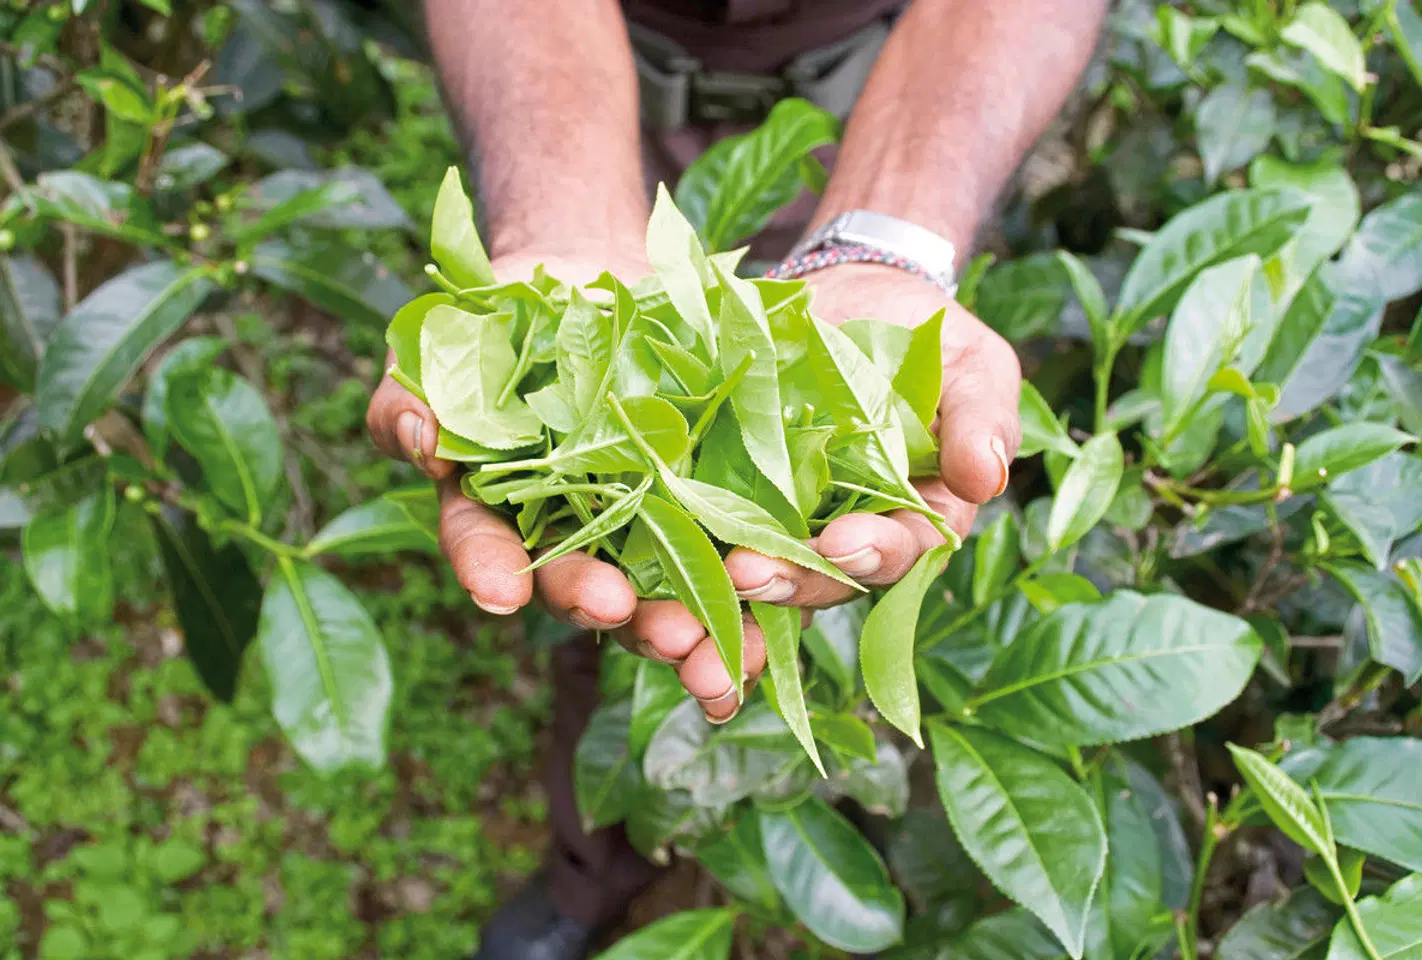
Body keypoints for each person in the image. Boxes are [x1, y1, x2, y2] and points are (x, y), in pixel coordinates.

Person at [365, 1, 1108, 956]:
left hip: (894, 90)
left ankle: (835, 817)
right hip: (582, 76)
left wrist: (887, 244)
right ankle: (593, 869)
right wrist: (558, 218)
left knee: (841, 558)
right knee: (610, 597)